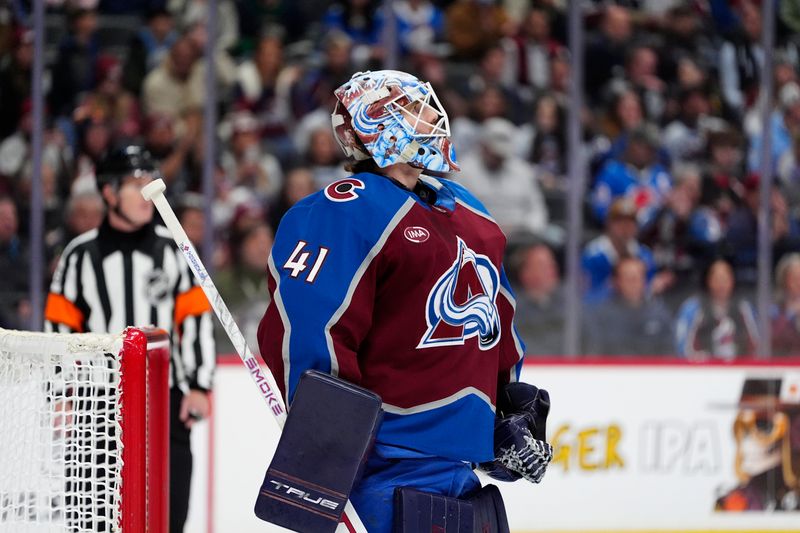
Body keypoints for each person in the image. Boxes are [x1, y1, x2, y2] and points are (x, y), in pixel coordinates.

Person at [257, 70, 552, 533]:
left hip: (461, 472)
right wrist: (327, 444)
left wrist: (503, 410)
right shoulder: (347, 207)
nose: (435, 117)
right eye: (418, 107)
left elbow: (499, 324)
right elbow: (312, 328)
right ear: (380, 124)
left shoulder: (469, 212)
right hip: (383, 468)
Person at [44, 145, 216, 533]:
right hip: (98, 407)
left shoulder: (174, 251)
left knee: (169, 517)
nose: (146, 191)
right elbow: (60, 330)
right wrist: (63, 393)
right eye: (135, 183)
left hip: (165, 401)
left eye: (149, 181)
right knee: (93, 517)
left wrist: (199, 385)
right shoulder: (79, 256)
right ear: (108, 193)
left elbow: (195, 320)